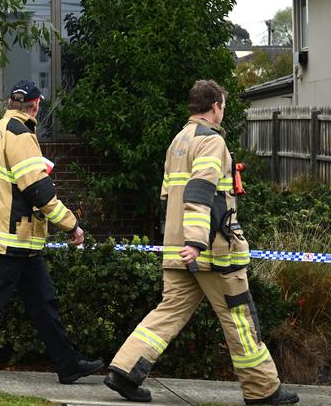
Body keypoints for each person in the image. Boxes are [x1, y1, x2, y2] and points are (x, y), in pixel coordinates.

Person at [104, 80, 298, 405]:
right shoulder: (211, 143)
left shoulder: (178, 142)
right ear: (216, 106)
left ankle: (124, 371)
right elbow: (199, 190)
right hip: (212, 251)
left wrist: (183, 243)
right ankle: (263, 389)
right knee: (239, 318)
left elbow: (169, 196)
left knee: (167, 312)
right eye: (223, 105)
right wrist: (196, 242)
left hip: (177, 248)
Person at [0, 80, 102, 386]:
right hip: (15, 233)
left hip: (9, 232)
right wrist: (71, 224)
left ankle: (68, 363)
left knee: (43, 300)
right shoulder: (20, 134)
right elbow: (37, 189)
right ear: (36, 105)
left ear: (11, 102)